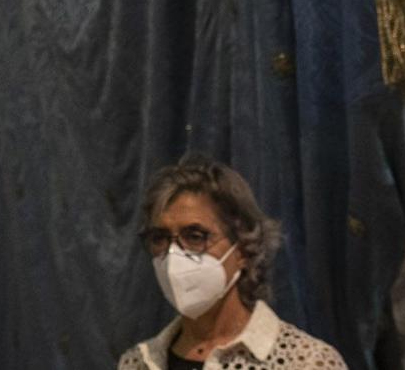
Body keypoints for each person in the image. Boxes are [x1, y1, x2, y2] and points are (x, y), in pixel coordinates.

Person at [118, 158, 344, 368]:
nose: (173, 254)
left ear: (244, 249)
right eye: (160, 238)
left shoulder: (306, 362)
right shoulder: (138, 362)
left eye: (195, 236)